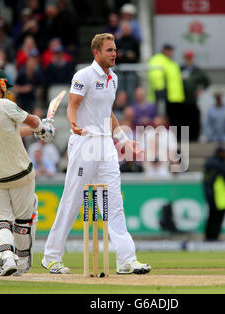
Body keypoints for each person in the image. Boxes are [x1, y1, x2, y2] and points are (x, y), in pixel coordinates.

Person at [42, 33, 151, 275]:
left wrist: (125, 140)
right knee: (73, 200)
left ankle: (126, 259)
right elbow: (73, 105)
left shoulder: (113, 79)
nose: (114, 54)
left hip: (106, 146)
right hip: (84, 142)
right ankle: (51, 256)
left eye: (115, 49)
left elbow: (109, 114)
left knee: (115, 202)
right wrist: (72, 124)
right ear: (97, 53)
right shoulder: (83, 76)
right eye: (109, 50)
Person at [0, 68, 55, 276]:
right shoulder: (4, 105)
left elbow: (14, 131)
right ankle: (23, 261)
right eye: (4, 87)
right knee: (24, 219)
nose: (6, 91)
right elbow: (33, 121)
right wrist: (43, 128)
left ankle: (7, 258)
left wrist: (39, 130)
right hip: (20, 174)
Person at [203, 146, 225, 241]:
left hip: (210, 195)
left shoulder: (208, 164)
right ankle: (214, 238)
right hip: (220, 197)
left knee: (211, 218)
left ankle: (208, 238)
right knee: (217, 219)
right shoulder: (220, 165)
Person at [181, 50, 210, 141]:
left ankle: (194, 137)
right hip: (181, 100)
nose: (188, 60)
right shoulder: (180, 69)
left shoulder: (197, 71)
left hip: (193, 100)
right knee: (183, 119)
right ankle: (184, 137)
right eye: (187, 58)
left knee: (194, 118)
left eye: (190, 58)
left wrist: (200, 90)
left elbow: (207, 81)